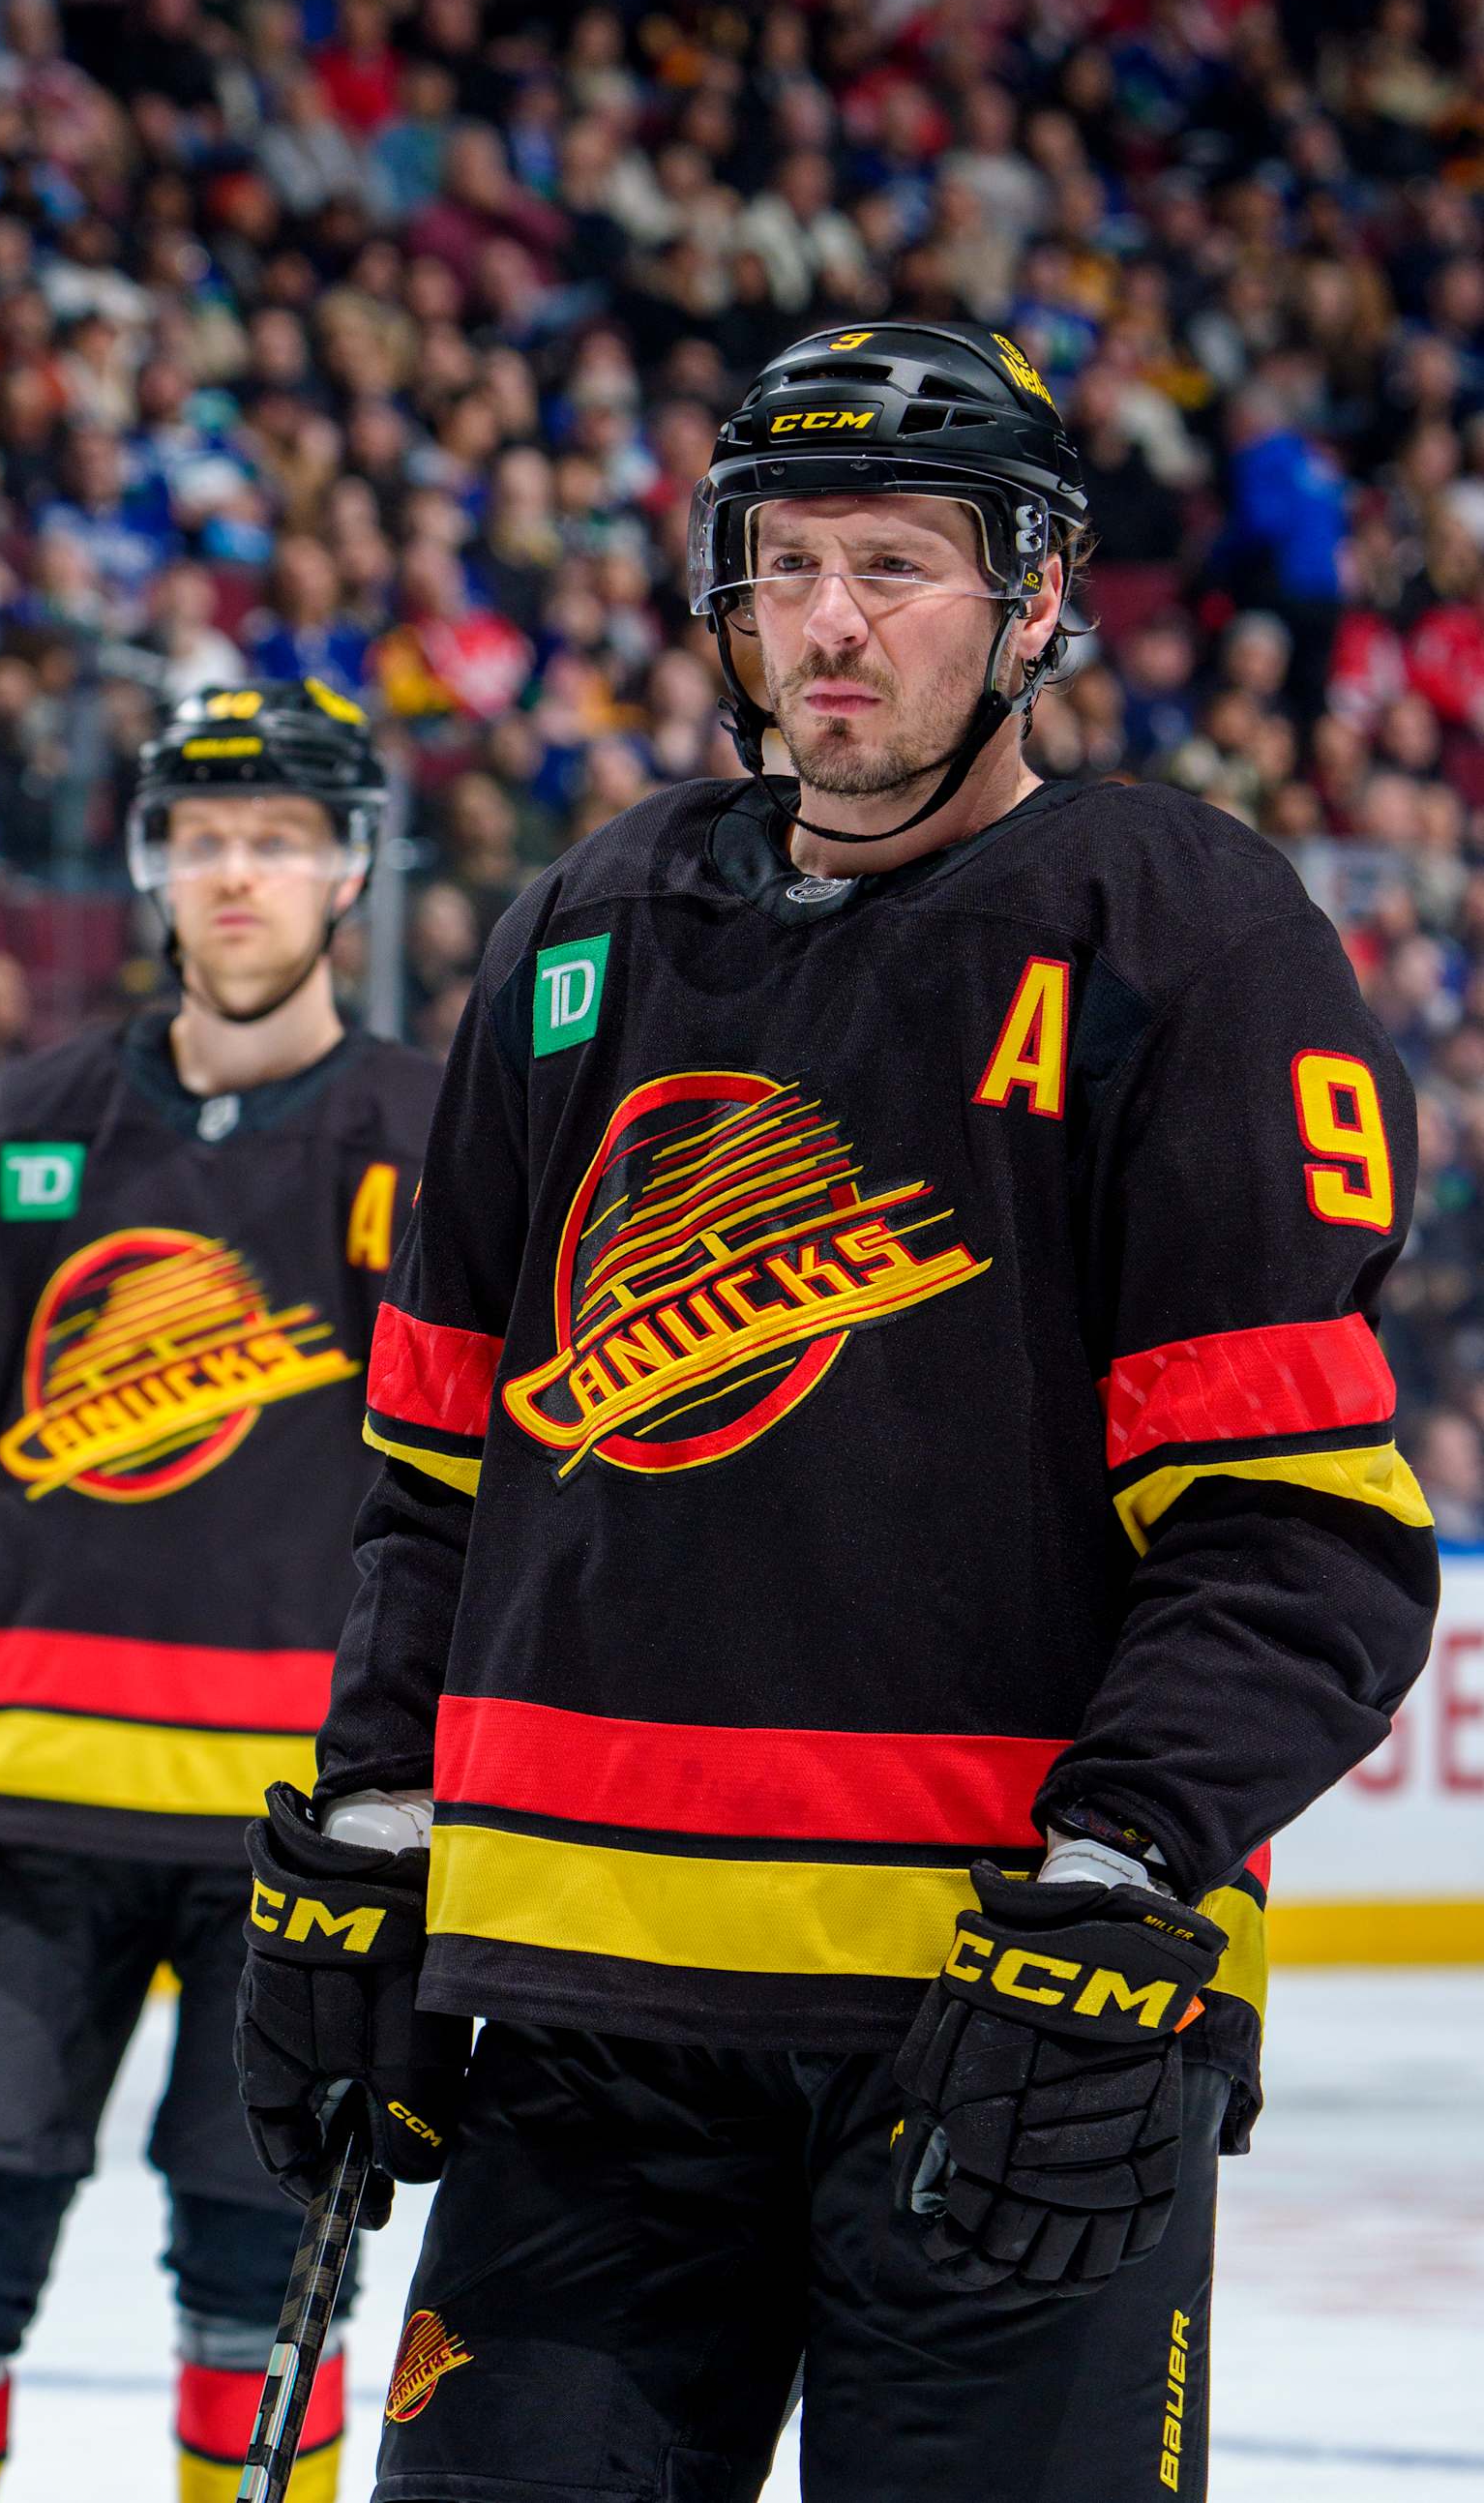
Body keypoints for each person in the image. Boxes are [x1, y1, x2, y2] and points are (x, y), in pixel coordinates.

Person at [235, 328, 1440, 2502]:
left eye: (896, 561)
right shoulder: (590, 928)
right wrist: (379, 1812)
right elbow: (433, 1472)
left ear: (1038, 602)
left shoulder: (1182, 934)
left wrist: (1123, 1873)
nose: (829, 624)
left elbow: (1297, 1532)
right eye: (786, 563)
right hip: (591, 2025)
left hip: (1009, 2014)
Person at [0, 681, 441, 2503]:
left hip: (294, 1841)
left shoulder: (440, 1132)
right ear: (155, 865)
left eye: (282, 839)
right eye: (206, 838)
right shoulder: (16, 1122)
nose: (241, 876)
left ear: (352, 869)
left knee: (262, 2293)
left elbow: (495, 1493)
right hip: (11, 1816)